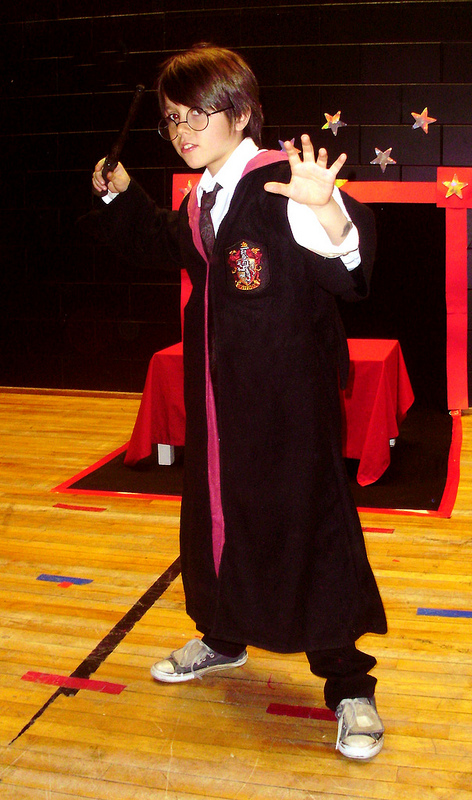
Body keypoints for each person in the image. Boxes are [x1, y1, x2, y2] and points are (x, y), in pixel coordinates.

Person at [88, 43, 387, 761]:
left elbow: (349, 271)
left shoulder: (282, 183)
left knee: (307, 528)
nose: (183, 130)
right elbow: (165, 244)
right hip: (220, 403)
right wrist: (120, 194)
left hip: (289, 404)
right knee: (217, 519)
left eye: (198, 114)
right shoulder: (203, 198)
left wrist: (331, 213)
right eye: (172, 118)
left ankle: (348, 684)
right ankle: (223, 637)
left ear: (242, 113)